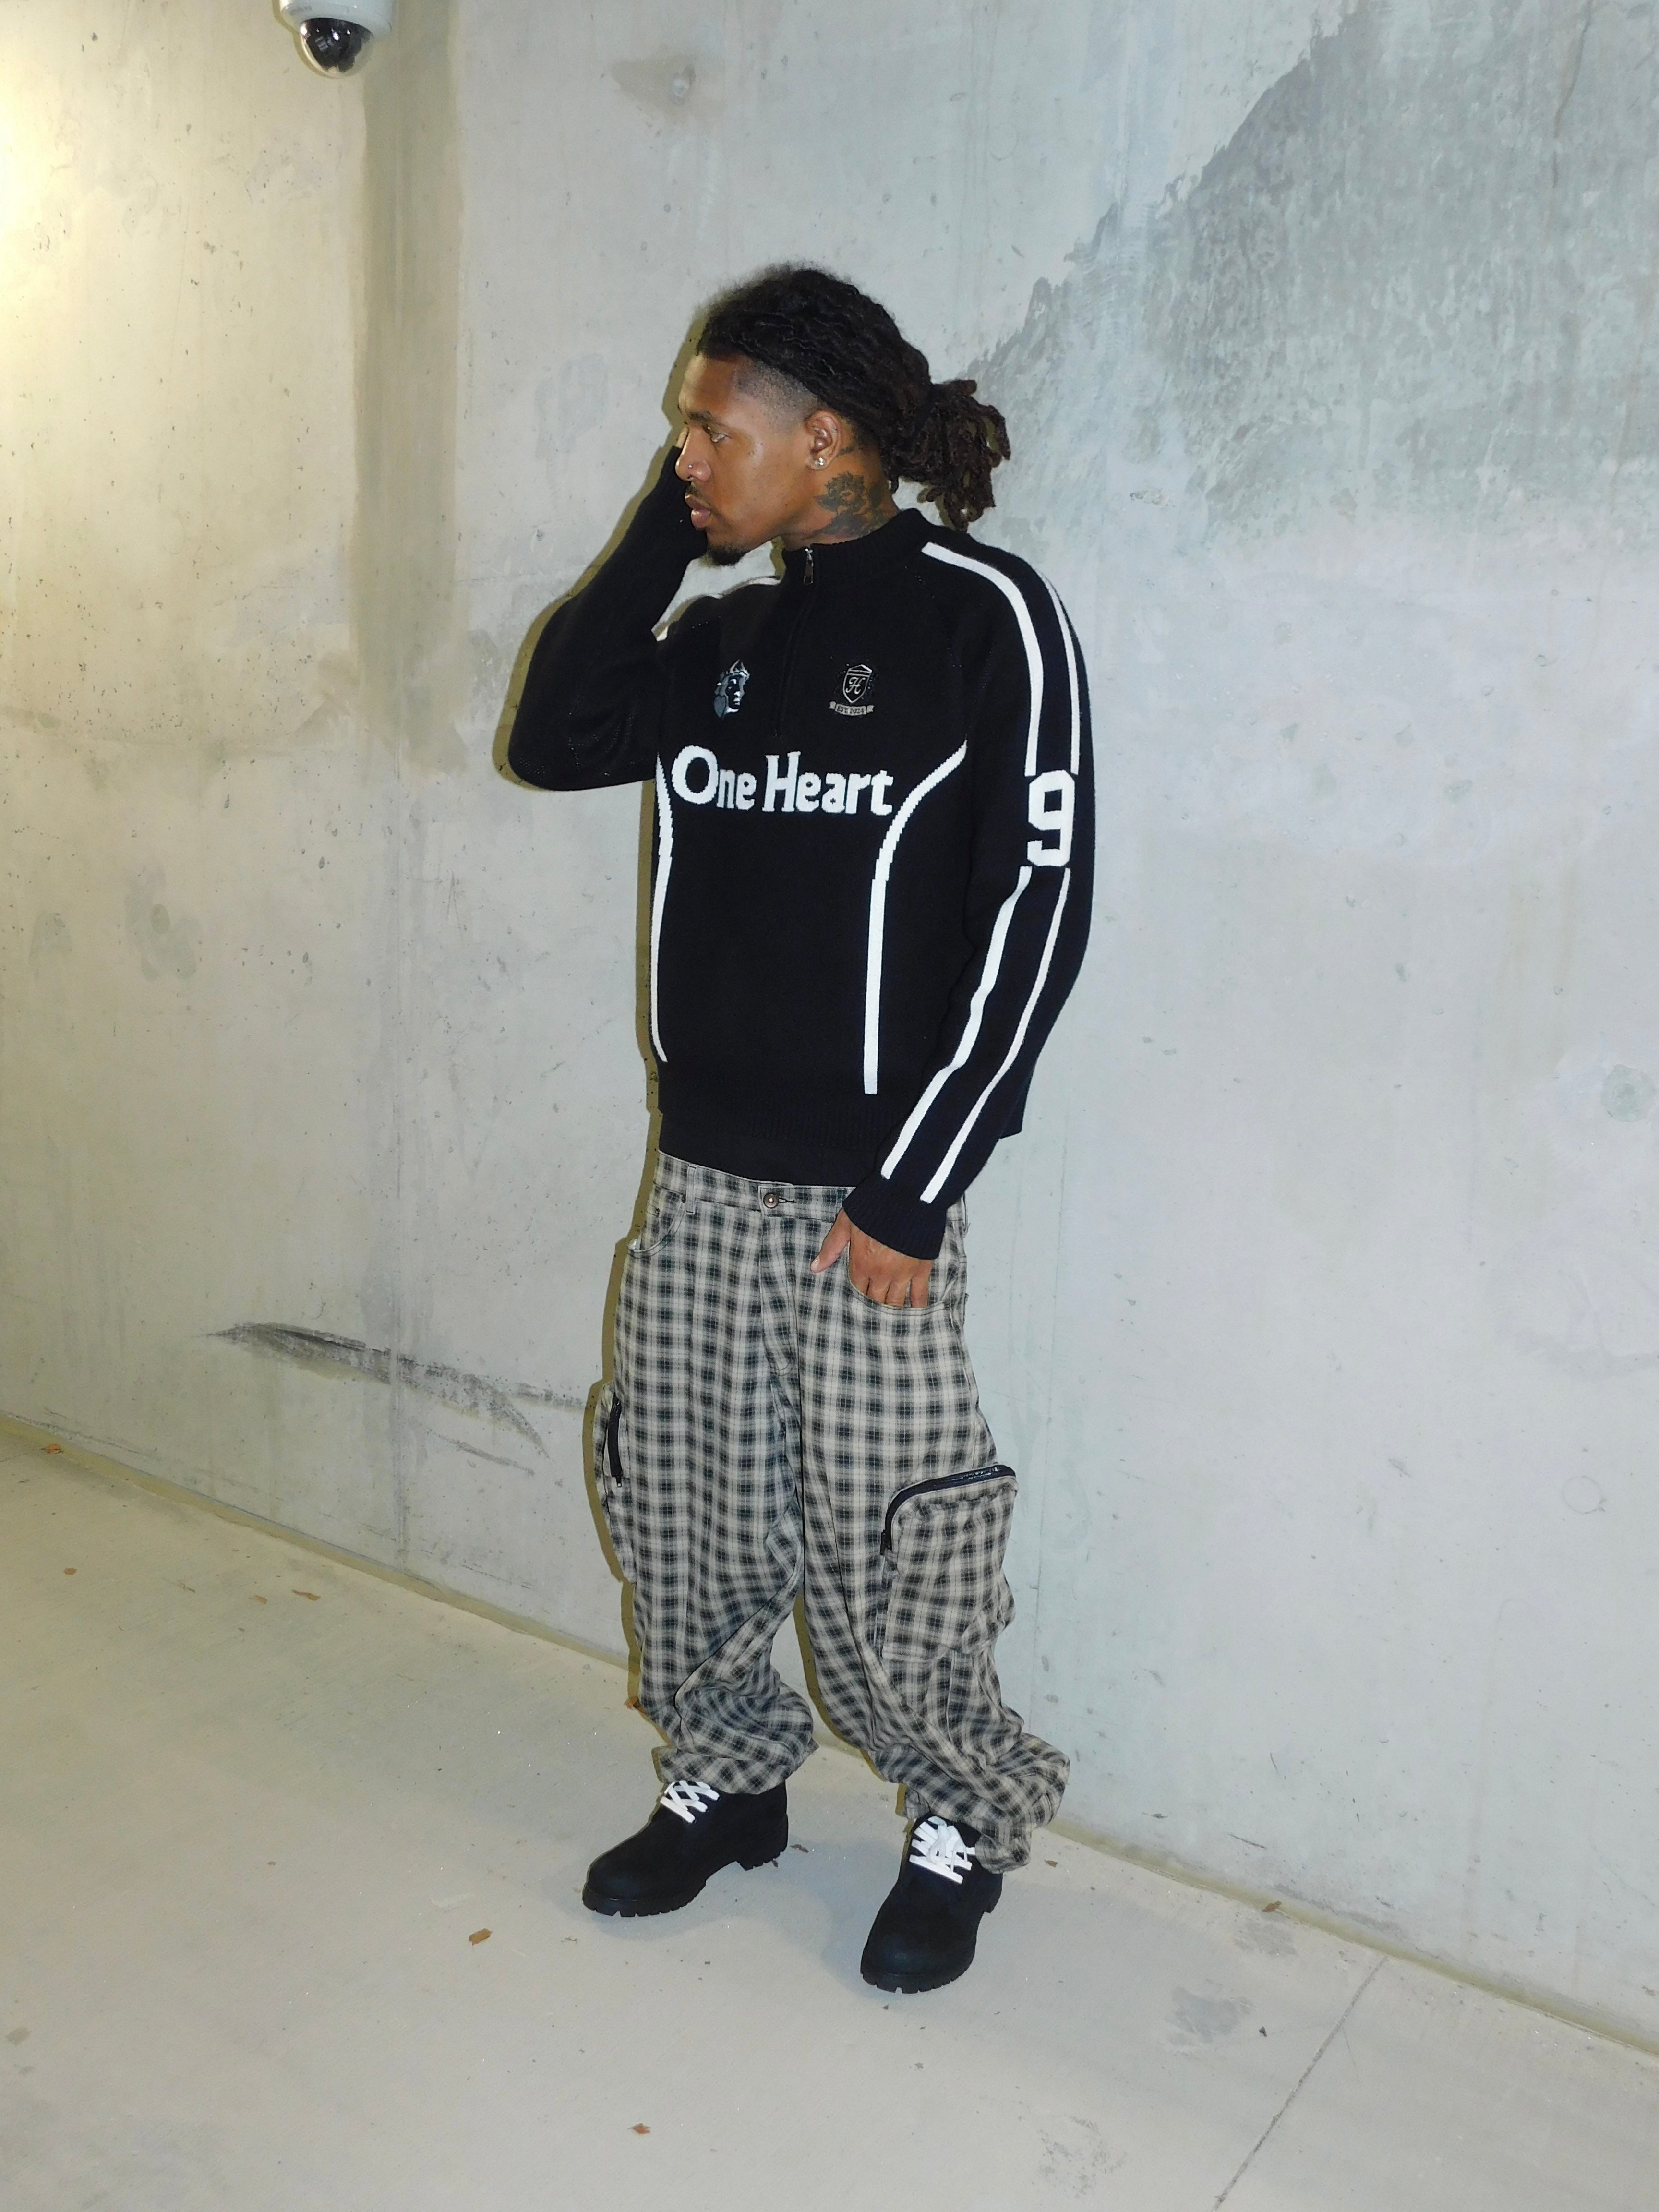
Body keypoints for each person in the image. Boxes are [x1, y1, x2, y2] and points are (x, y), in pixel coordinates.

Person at [507, 265, 1092, 1993]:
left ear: (823, 435)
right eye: (682, 433)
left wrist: (920, 1185)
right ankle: (729, 1780)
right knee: (682, 1509)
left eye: (710, 429)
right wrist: (669, 533)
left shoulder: (986, 617)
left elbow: (1038, 910)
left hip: (868, 1201)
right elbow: (552, 736)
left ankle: (959, 1817)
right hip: (698, 1175)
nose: (685, 456)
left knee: (895, 1543)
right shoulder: (722, 642)